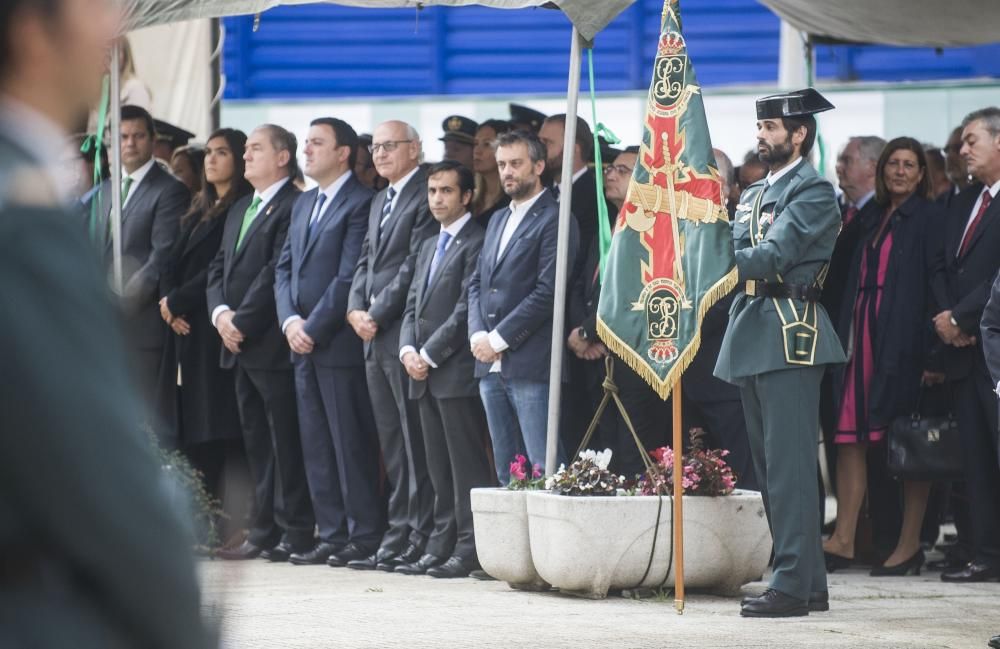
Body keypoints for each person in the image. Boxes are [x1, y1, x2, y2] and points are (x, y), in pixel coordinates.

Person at [0, 0, 213, 645]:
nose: (113, 34)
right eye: (90, 13)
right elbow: (90, 459)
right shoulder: (21, 203)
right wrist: (179, 618)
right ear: (34, 36)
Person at [715, 88, 846, 617]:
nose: (761, 135)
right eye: (761, 127)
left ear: (800, 134)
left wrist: (712, 254)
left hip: (792, 332)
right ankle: (807, 581)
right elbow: (734, 245)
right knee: (772, 469)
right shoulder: (752, 192)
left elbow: (771, 257)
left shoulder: (813, 191)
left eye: (772, 128)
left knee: (790, 469)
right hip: (753, 329)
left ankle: (790, 583)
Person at [823, 138, 941, 576]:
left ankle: (909, 544)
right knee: (848, 438)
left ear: (922, 173)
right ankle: (846, 537)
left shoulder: (931, 218)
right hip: (860, 335)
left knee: (908, 443)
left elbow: (937, 284)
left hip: (902, 342)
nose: (900, 172)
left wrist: (934, 353)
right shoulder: (871, 216)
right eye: (893, 163)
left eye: (910, 165)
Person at [274, 117, 383, 567]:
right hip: (300, 340)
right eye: (306, 143)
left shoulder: (361, 203)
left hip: (335, 343)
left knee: (348, 441)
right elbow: (283, 268)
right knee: (316, 442)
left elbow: (347, 278)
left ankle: (364, 534)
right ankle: (332, 532)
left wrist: (311, 328)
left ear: (344, 153)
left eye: (317, 143)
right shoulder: (303, 204)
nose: (307, 150)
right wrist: (288, 323)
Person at [207, 124, 315, 562]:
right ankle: (265, 528)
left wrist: (243, 322)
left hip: (269, 343)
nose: (245, 156)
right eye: (246, 150)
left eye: (255, 149)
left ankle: (296, 530)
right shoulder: (240, 208)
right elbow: (218, 267)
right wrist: (219, 316)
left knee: (284, 441)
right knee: (257, 444)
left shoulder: (294, 205)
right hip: (236, 344)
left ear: (283, 157)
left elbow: (275, 271)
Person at [346, 120, 437, 571]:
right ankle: (398, 530)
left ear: (415, 149)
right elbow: (365, 259)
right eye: (375, 147)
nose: (379, 154)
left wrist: (375, 313)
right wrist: (353, 308)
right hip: (370, 333)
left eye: (389, 146)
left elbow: (412, 265)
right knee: (392, 442)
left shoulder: (425, 193)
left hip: (401, 330)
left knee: (412, 439)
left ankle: (417, 534)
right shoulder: (380, 197)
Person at [398, 161, 494, 578]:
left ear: (466, 196)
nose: (437, 198)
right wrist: (406, 349)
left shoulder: (476, 240)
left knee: (465, 466)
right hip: (421, 371)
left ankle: (470, 547)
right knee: (436, 466)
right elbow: (412, 303)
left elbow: (463, 311)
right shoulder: (426, 244)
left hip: (452, 371)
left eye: (447, 191)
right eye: (433, 190)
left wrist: (429, 354)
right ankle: (441, 541)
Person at [469, 130, 578, 483]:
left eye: (516, 163)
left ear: (539, 166)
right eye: (502, 165)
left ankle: (554, 542)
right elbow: (476, 283)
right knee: (508, 472)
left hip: (531, 362)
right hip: (488, 363)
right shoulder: (498, 218)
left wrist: (497, 340)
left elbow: (548, 292)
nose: (507, 172)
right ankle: (516, 542)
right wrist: (477, 336)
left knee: (546, 469)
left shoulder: (557, 217)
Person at [157, 128, 250, 528]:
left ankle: (229, 519)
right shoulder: (199, 206)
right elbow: (170, 261)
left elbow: (217, 268)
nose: (211, 159)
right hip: (182, 331)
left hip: (212, 329)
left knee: (219, 425)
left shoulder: (240, 207)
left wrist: (177, 301)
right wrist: (166, 300)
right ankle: (202, 517)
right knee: (192, 425)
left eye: (222, 152)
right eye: (209, 152)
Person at [567, 146, 672, 475]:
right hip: (599, 360)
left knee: (633, 454)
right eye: (610, 168)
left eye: (623, 170)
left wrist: (588, 331)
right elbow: (582, 289)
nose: (610, 174)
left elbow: (630, 293)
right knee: (605, 453)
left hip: (634, 361)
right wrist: (582, 331)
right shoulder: (608, 226)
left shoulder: (650, 232)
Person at [935, 107, 1000, 584]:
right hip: (963, 351)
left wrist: (963, 316)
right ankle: (987, 553)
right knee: (976, 458)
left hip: (992, 347)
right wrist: (947, 319)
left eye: (973, 139)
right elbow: (944, 265)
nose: (962, 149)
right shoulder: (965, 202)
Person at [96, 104, 190, 434]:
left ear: (152, 140)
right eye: (122, 137)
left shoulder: (169, 189)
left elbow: (161, 256)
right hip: (101, 326)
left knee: (146, 420)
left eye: (138, 136)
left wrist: (122, 301)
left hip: (141, 324)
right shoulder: (105, 190)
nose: (130, 143)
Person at [680, 148, 757, 491]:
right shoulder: (673, 237)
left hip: (724, 379)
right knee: (694, 479)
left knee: (742, 477)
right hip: (682, 378)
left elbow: (723, 300)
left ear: (723, 187)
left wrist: (680, 326)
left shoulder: (737, 234)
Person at [820, 135, 885, 528]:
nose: (839, 167)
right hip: (834, 337)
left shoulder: (877, 216)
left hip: (860, 341)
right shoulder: (841, 214)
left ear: (871, 168)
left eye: (847, 160)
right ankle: (848, 520)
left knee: (857, 439)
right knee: (835, 433)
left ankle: (862, 525)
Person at [471, 118, 512, 225]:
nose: (477, 151)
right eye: (475, 144)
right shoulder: (469, 197)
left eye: (487, 144)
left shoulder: (513, 199)